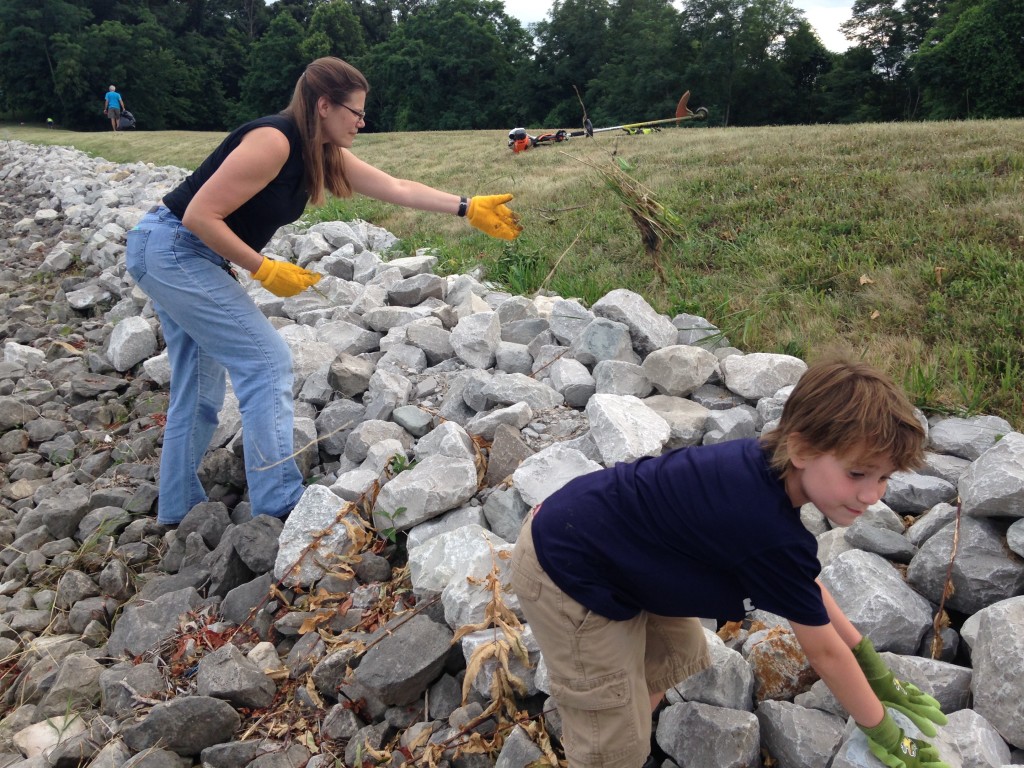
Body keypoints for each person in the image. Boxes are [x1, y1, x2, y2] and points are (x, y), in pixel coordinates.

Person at [125, 56, 521, 527]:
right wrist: (263, 267)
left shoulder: (323, 151)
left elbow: (396, 187)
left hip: (185, 254)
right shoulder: (273, 141)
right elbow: (198, 216)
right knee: (266, 360)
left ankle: (177, 509)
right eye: (355, 112)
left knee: (198, 389)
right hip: (172, 249)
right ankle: (281, 504)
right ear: (323, 105)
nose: (361, 121)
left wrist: (466, 207)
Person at [510, 358, 951, 768]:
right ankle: (610, 742)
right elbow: (825, 653)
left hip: (608, 541)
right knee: (614, 742)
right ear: (801, 448)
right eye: (857, 474)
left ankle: (626, 717)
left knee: (677, 649)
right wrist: (890, 736)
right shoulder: (765, 527)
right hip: (566, 573)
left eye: (884, 477)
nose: (873, 495)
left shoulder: (766, 466)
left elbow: (806, 591)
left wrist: (878, 676)